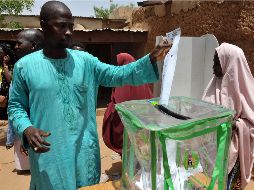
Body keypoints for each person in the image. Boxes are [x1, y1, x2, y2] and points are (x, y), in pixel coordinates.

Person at [8, 1, 171, 190]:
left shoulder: (85, 61)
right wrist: (26, 128)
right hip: (49, 154)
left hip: (84, 152)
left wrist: (150, 58)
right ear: (43, 25)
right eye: (61, 26)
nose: (68, 32)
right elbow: (16, 106)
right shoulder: (24, 66)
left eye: (70, 26)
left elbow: (117, 74)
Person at [202, 43, 254, 190]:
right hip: (214, 149)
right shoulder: (214, 85)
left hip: (235, 151)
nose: (213, 66)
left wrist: (236, 125)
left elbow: (252, 124)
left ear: (229, 63)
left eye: (216, 62)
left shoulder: (248, 92)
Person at [6, 29, 44, 175]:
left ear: (33, 45)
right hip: (28, 128)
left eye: (19, 43)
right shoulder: (21, 67)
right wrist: (25, 132)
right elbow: (18, 105)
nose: (15, 46)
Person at [102, 53, 153, 155]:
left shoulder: (123, 79)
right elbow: (150, 97)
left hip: (126, 121)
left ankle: (129, 167)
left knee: (128, 146)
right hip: (142, 121)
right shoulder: (140, 77)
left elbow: (118, 100)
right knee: (139, 147)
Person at [0, 43, 18, 119]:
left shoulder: (13, 66)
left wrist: (5, 65)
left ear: (6, 55)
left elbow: (10, 80)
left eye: (0, 52)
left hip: (6, 99)